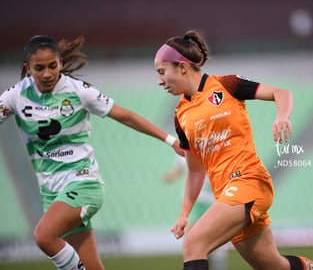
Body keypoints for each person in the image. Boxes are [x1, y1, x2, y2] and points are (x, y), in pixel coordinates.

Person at [154, 30, 313, 270]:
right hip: (227, 195)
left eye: (162, 72)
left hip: (249, 182)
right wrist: (184, 214)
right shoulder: (180, 115)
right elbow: (195, 171)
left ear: (183, 67)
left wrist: (282, 117)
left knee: (193, 245)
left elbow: (282, 93)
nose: (159, 81)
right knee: (273, 266)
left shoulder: (226, 84)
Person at [0, 35, 183, 270]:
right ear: (27, 67)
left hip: (82, 184)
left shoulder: (79, 91)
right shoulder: (16, 95)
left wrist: (170, 140)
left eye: (52, 66)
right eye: (39, 68)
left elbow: (126, 116)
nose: (47, 73)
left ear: (60, 62)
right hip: (51, 192)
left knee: (43, 237)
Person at [162, 155, 227, 270]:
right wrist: (169, 177)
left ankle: (217, 262)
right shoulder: (182, 154)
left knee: (215, 236)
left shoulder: (207, 150)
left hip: (210, 200)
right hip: (193, 201)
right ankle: (194, 263)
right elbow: (179, 171)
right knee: (190, 237)